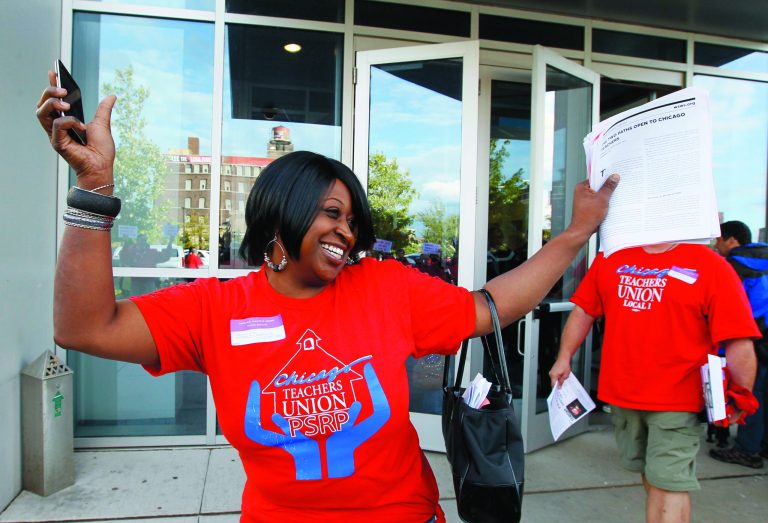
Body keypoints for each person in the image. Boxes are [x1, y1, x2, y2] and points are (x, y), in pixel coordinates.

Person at [37, 71, 617, 522]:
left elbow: (490, 306)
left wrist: (574, 234)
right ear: (282, 211)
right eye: (330, 213)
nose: (346, 231)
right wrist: (94, 190)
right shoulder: (214, 309)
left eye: (352, 221)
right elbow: (84, 328)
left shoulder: (385, 288)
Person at [549, 242, 759, 523]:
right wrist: (564, 357)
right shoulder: (612, 256)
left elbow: (738, 337)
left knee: (669, 483)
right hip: (622, 394)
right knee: (653, 476)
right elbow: (584, 310)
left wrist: (741, 395)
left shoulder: (711, 265)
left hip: (678, 399)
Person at [710, 220, 768, 468]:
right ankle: (762, 446)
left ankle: (747, 450)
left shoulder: (733, 266)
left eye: (719, 240)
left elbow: (726, 309)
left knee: (750, 392)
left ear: (732, 240)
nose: (716, 245)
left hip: (752, 338)